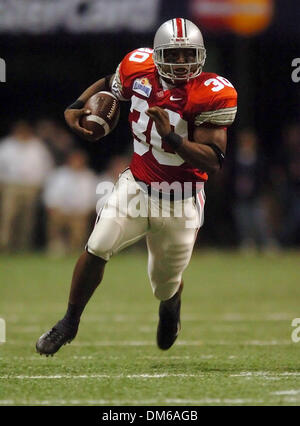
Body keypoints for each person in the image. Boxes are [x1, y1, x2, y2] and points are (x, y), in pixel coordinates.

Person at [36, 18, 237, 356]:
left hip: (181, 199)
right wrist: (76, 105)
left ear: (200, 56)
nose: (182, 63)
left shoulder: (212, 92)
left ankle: (171, 304)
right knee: (97, 245)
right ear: (157, 55)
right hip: (137, 185)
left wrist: (173, 138)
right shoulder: (137, 67)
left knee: (164, 282)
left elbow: (213, 160)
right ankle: (69, 322)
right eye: (173, 56)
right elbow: (109, 84)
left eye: (189, 55)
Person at [0, 120, 53, 251]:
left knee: (27, 219)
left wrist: (41, 185)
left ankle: (22, 246)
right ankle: (5, 245)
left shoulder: (37, 147)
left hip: (31, 187)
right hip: (11, 185)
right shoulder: (7, 145)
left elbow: (46, 167)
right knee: (8, 217)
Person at [43, 150, 98, 255]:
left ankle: (74, 249)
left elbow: (93, 198)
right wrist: (55, 209)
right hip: (61, 211)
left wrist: (85, 212)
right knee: (55, 221)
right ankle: (56, 247)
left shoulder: (89, 177)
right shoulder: (59, 175)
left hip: (80, 213)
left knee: (79, 226)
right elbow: (51, 196)